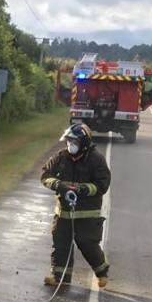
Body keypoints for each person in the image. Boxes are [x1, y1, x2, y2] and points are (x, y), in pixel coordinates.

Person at [40, 123, 111, 288]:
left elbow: (102, 185)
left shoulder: (96, 160)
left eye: (74, 142)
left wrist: (83, 189)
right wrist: (58, 185)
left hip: (87, 213)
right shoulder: (61, 157)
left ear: (84, 144)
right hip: (64, 212)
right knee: (60, 243)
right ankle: (59, 277)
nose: (70, 145)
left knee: (87, 243)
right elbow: (45, 175)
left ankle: (102, 273)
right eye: (68, 141)